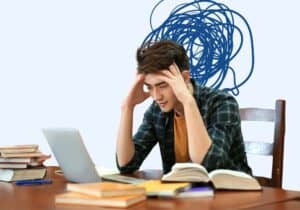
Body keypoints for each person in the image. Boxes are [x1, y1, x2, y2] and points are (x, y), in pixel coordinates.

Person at [116, 40, 252, 175]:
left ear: (185, 78)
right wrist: (127, 107)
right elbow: (126, 165)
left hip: (231, 192)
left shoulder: (222, 103)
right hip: (184, 193)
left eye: (163, 85)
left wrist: (188, 101)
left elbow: (208, 164)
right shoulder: (157, 111)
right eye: (149, 87)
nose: (156, 96)